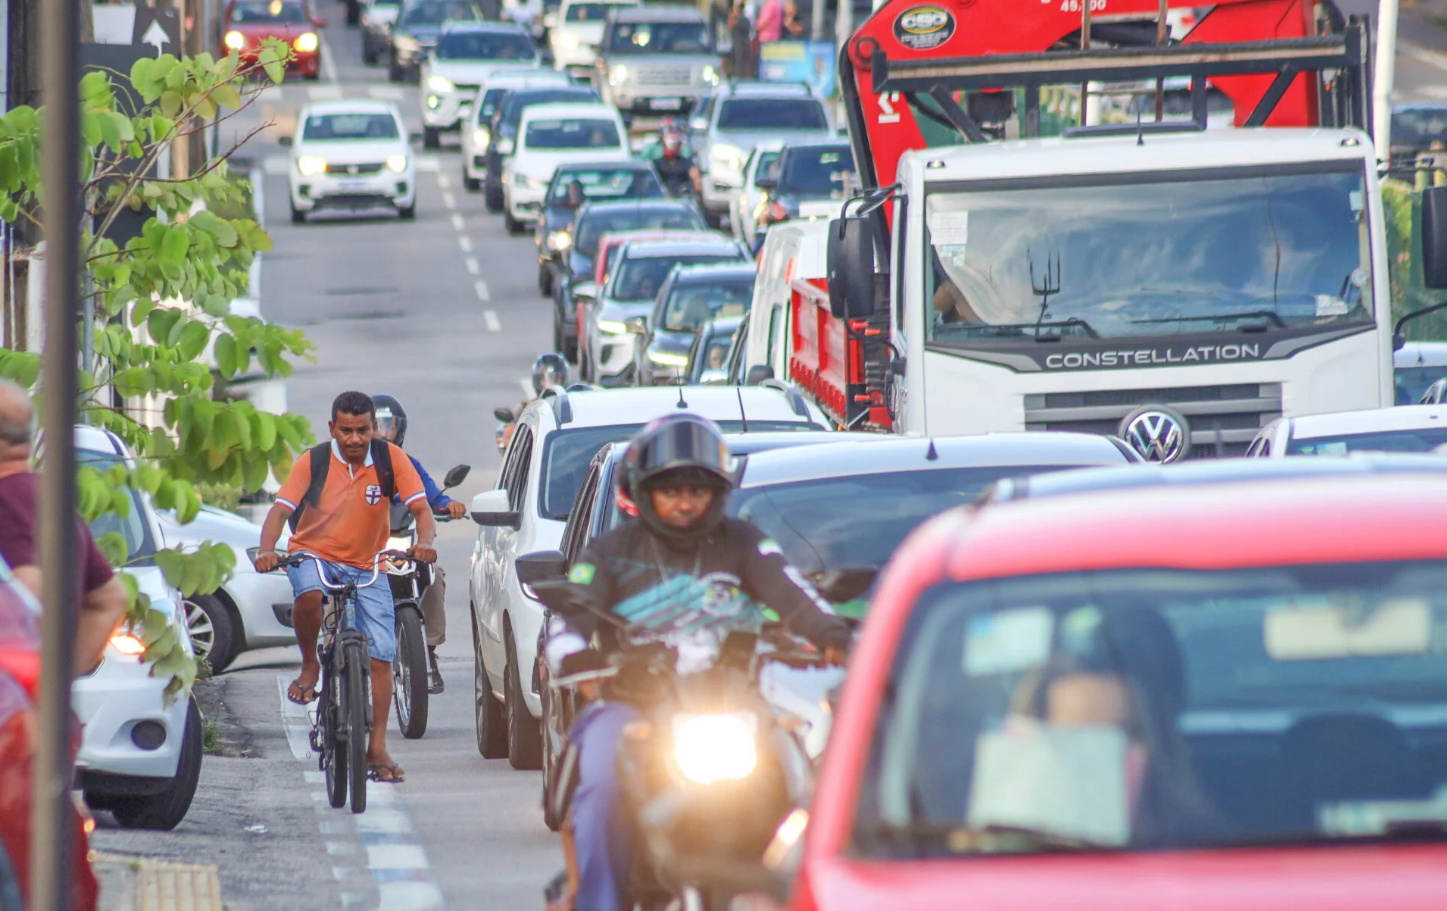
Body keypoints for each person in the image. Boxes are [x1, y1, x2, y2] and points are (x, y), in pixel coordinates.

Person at [552, 414, 850, 911]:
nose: (685, 502)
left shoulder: (745, 542)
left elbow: (797, 599)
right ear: (643, 491)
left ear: (718, 492)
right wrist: (582, 659)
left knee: (808, 773)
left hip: (736, 704)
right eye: (670, 490)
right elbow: (567, 623)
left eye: (697, 489)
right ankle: (598, 902)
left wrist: (833, 636)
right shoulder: (608, 552)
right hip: (632, 707)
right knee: (602, 781)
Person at [254, 391, 438, 784]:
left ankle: (377, 746)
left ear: (373, 428)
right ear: (332, 428)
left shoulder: (391, 459)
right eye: (346, 431)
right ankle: (308, 667)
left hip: (368, 562)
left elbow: (422, 509)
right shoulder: (314, 461)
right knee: (309, 596)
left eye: (363, 430)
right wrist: (268, 550)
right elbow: (281, 510)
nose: (355, 439)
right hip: (313, 554)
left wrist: (425, 543)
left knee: (383, 654)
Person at [0, 380, 127, 673]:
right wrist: (57, 684)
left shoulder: (6, 502)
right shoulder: (50, 498)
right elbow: (111, 597)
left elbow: (31, 590)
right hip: (45, 714)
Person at [372, 394, 467, 695]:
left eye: (387, 425)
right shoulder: (355, 465)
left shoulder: (407, 464)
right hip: (365, 549)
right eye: (375, 425)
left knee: (433, 577)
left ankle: (428, 650)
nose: (381, 432)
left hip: (405, 544)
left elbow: (434, 496)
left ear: (399, 429)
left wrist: (449, 504)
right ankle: (336, 647)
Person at [501, 353, 570, 451]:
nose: (552, 383)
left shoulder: (572, 406)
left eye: (557, 379)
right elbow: (509, 440)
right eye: (547, 379)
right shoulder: (525, 408)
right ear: (538, 380)